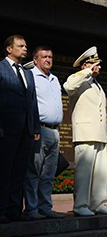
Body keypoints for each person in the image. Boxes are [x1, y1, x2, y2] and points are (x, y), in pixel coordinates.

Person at [64, 46, 107, 216]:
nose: (99, 68)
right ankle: (81, 205)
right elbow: (68, 85)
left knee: (99, 173)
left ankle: (98, 203)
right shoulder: (78, 80)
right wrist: (85, 72)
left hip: (98, 133)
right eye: (96, 64)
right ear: (87, 65)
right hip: (85, 133)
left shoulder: (96, 84)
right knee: (84, 173)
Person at [0, 35, 41, 223]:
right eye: (21, 46)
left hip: (25, 131)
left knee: (19, 171)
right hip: (6, 129)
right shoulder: (0, 68)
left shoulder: (27, 73)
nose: (25, 48)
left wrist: (35, 127)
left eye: (26, 45)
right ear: (9, 49)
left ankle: (14, 209)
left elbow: (32, 102)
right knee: (4, 170)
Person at [24, 45, 63, 219]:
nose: (48, 60)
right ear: (35, 59)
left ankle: (45, 207)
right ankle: (31, 209)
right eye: (44, 57)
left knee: (48, 174)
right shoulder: (31, 76)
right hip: (39, 130)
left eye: (50, 57)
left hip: (55, 131)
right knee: (34, 171)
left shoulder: (54, 79)